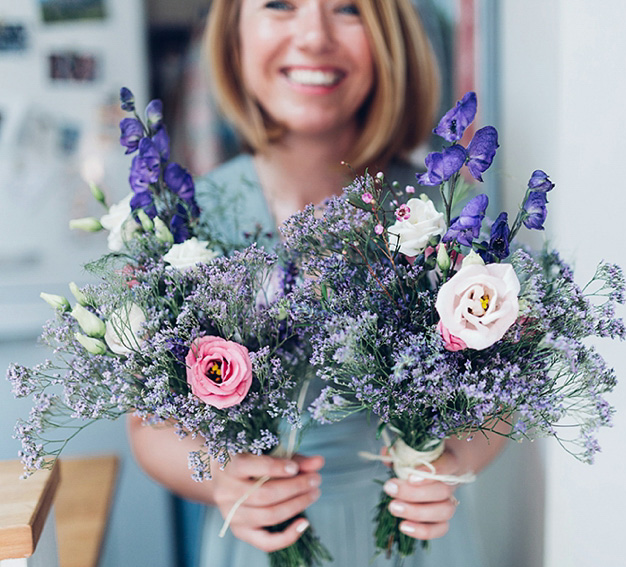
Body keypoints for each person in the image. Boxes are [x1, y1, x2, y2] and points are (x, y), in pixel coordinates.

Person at [127, 1, 507, 565]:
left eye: (348, 8)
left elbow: (500, 390)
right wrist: (222, 481)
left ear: (391, 37)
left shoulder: (446, 209)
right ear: (233, 36)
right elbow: (147, 424)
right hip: (264, 545)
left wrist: (454, 463)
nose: (313, 35)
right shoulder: (186, 222)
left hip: (419, 543)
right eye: (280, 4)